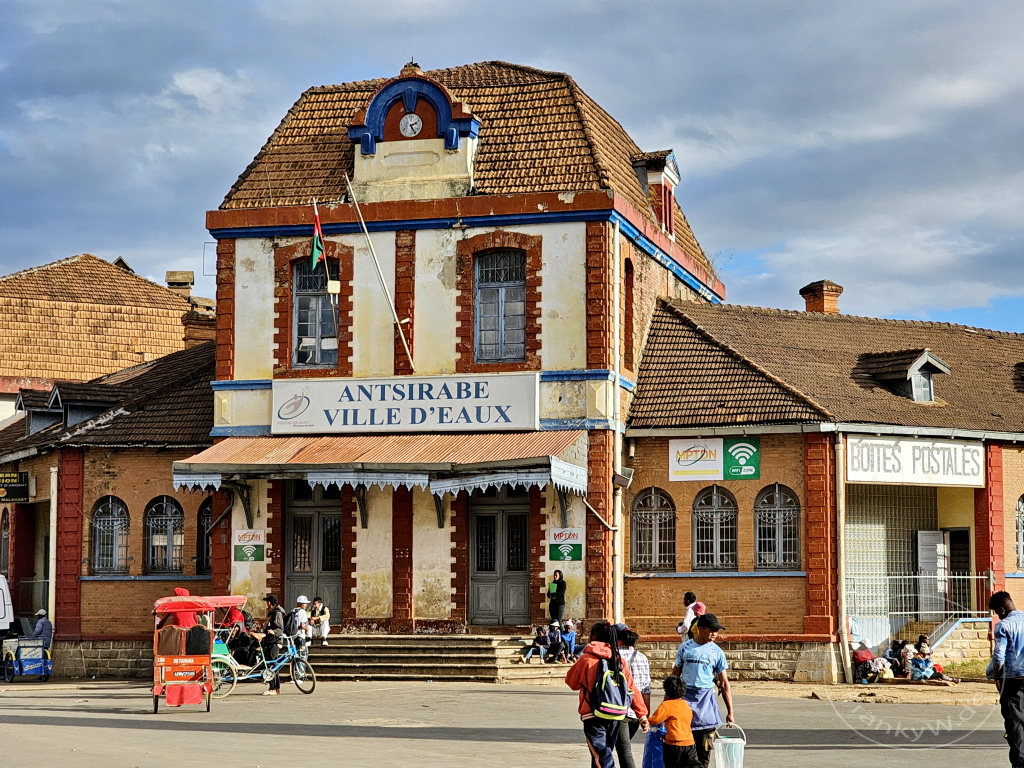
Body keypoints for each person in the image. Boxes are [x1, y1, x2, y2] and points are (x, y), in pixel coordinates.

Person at [565, 620, 649, 768]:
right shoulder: (619, 660)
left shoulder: (586, 659)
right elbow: (632, 689)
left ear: (593, 637)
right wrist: (642, 714)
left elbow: (572, 683)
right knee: (603, 754)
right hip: (615, 714)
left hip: (593, 715)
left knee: (601, 756)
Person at [671, 613, 734, 768]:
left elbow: (724, 683)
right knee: (684, 754)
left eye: (716, 631)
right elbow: (675, 677)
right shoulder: (685, 648)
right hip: (685, 702)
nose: (714, 633)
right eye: (711, 630)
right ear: (700, 628)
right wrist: (668, 703)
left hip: (706, 704)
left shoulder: (716, 652)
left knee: (703, 753)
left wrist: (730, 712)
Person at [989, 591, 1024, 767]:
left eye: (997, 612)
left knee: (1015, 720)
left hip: (1013, 679)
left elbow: (999, 657)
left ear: (1002, 610)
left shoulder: (1003, 626)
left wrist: (996, 677)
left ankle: (1020, 761)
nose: (998, 616)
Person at [614, 628, 652, 768]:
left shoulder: (614, 657)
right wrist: (645, 714)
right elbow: (646, 688)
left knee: (624, 751)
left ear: (618, 641)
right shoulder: (642, 657)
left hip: (620, 710)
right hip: (637, 712)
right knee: (623, 746)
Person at [648, 675, 701, 768]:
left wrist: (644, 720)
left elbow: (654, 721)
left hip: (673, 745)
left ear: (666, 691)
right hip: (689, 743)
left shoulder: (666, 705)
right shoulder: (685, 705)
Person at [261, 594, 286, 695]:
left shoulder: (277, 613)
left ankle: (273, 688)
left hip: (274, 641)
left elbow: (280, 628)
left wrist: (273, 632)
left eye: (267, 602)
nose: (266, 604)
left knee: (272, 664)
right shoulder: (273, 613)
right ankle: (275, 687)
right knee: (272, 664)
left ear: (270, 603)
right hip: (270, 641)